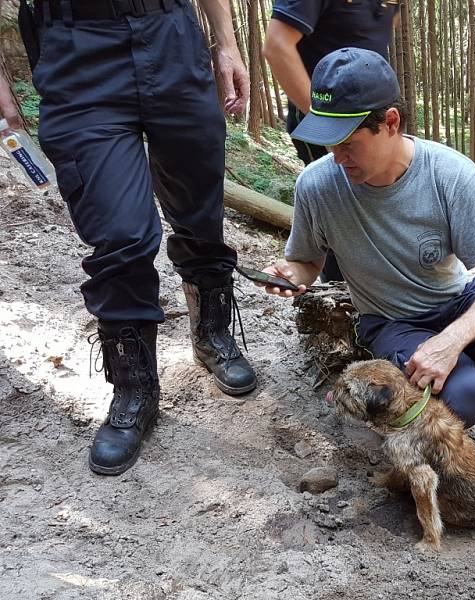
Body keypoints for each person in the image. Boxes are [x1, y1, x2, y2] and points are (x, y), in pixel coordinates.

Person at [262, 48, 475, 522]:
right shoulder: (317, 187)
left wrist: (451, 340)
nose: (336, 158)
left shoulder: (449, 175)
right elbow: (305, 262)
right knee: (459, 392)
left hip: (456, 301)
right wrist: (291, 277)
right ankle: (425, 478)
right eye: (327, 143)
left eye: (347, 142)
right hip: (390, 320)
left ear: (390, 122)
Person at [0, 0, 257, 476]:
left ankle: (212, 333)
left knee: (200, 210)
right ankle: (134, 387)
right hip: (76, 50)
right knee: (120, 234)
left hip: (172, 35)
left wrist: (226, 45)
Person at [263, 0, 398, 282]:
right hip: (330, 116)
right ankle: (343, 313)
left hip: (374, 119)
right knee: (343, 222)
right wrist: (331, 129)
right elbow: (276, 45)